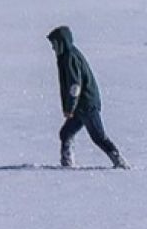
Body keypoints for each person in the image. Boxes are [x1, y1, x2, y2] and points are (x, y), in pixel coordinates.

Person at [47, 25, 129, 169]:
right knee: (66, 133)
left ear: (61, 42)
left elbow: (74, 86)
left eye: (54, 44)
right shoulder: (67, 56)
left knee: (98, 136)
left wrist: (69, 108)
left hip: (86, 104)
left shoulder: (69, 57)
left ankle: (119, 161)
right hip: (80, 105)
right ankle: (67, 162)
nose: (53, 48)